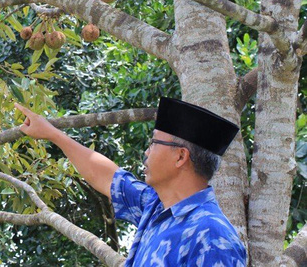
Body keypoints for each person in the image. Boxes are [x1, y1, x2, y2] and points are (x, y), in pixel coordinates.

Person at [15, 97, 247, 266]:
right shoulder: (156, 208)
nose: (147, 153)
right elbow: (107, 176)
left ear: (180, 156)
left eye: (154, 143)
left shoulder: (212, 234)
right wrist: (52, 133)